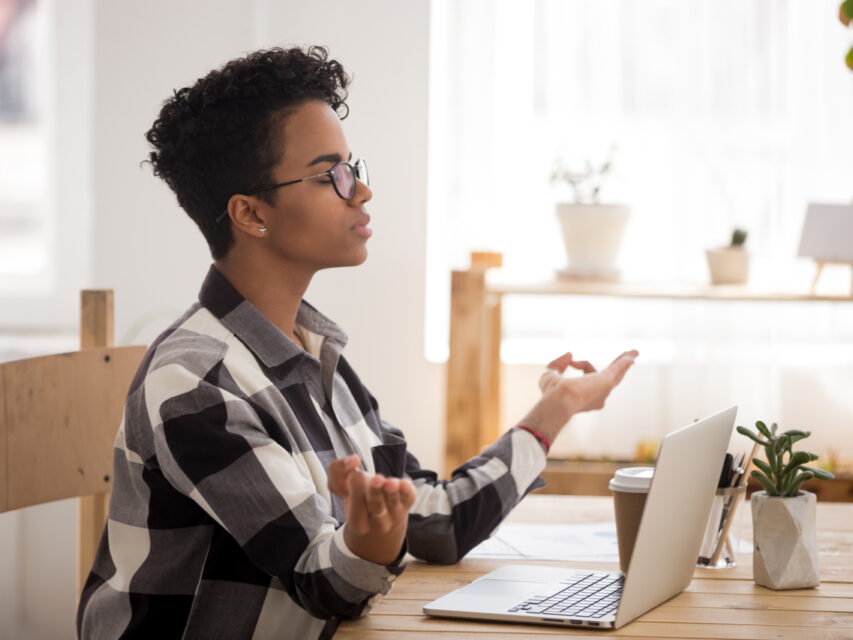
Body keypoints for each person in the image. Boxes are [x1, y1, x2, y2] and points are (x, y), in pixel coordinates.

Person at [76, 46, 638, 639]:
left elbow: (438, 521)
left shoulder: (313, 354)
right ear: (249, 213)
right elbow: (325, 581)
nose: (361, 191)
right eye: (331, 176)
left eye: (353, 168)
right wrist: (371, 541)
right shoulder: (197, 383)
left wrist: (557, 407)